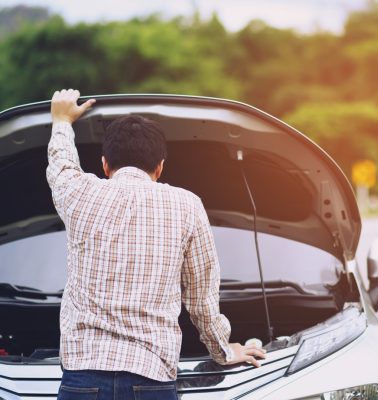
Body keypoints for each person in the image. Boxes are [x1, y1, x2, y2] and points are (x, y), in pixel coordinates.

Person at [47, 89, 266, 399]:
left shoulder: (79, 193)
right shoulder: (186, 205)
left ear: (105, 164)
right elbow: (201, 297)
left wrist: (61, 121)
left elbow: (62, 165)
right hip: (151, 378)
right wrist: (223, 351)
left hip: (83, 377)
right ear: (160, 167)